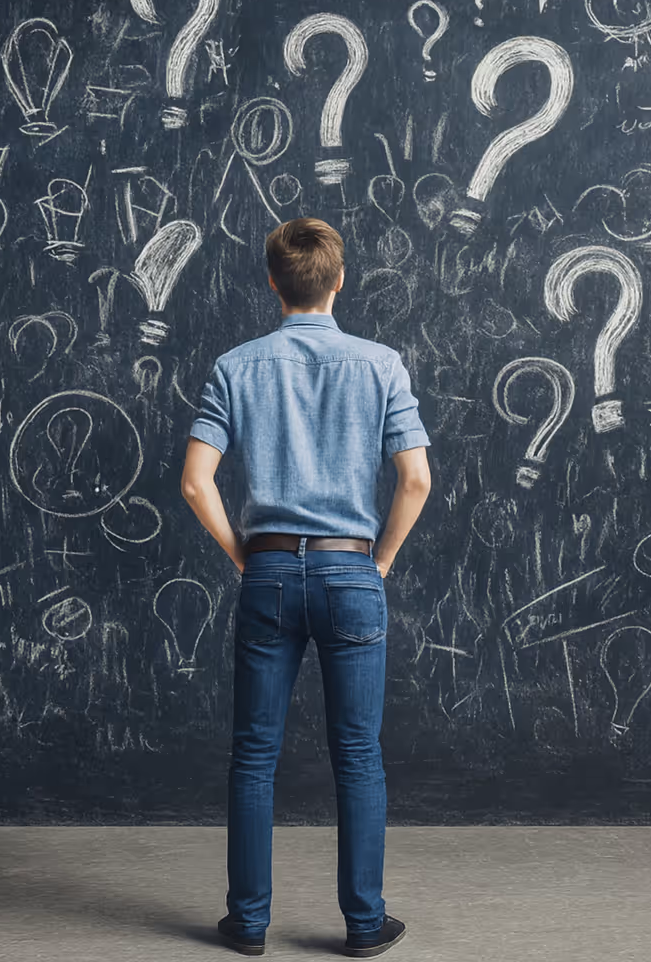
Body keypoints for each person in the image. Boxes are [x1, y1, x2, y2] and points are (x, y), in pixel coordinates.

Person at [182, 217, 432, 957]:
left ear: (272, 283)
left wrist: (243, 555)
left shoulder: (236, 366)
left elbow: (198, 484)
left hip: (268, 573)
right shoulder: (381, 363)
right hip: (351, 569)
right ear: (340, 279)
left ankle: (248, 923)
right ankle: (363, 924)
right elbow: (415, 478)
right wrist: (377, 562)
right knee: (357, 753)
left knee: (254, 755)